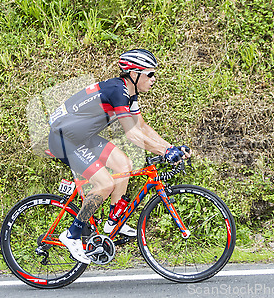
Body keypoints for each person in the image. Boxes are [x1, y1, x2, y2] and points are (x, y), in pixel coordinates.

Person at [47, 49, 191, 264]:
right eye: (150, 74)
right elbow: (132, 134)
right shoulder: (117, 91)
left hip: (81, 137)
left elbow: (141, 126)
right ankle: (72, 234)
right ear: (134, 74)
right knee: (104, 184)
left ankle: (114, 222)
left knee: (124, 164)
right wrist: (164, 152)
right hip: (64, 138)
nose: (154, 79)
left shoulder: (129, 93)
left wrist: (171, 147)